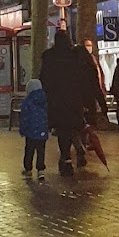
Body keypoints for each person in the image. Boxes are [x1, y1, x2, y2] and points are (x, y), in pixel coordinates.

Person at [40, 30, 89, 176]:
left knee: (62, 131)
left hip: (56, 101)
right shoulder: (75, 56)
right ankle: (79, 148)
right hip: (74, 99)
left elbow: (44, 79)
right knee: (75, 125)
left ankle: (66, 159)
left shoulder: (49, 57)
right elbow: (83, 79)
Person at [19, 78, 49, 178]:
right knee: (41, 151)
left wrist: (23, 129)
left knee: (29, 150)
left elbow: (24, 117)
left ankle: (28, 169)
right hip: (42, 131)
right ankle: (41, 170)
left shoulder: (27, 101)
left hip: (30, 131)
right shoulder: (45, 99)